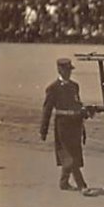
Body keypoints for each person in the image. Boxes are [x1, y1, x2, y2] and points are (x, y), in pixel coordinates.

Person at [39, 58, 96, 196]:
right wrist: (43, 130)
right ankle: (82, 186)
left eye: (70, 70)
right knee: (71, 156)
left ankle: (64, 182)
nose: (68, 73)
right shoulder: (53, 88)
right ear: (59, 70)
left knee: (74, 153)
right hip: (62, 125)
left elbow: (77, 103)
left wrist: (85, 111)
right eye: (66, 70)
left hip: (75, 124)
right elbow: (47, 110)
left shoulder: (74, 86)